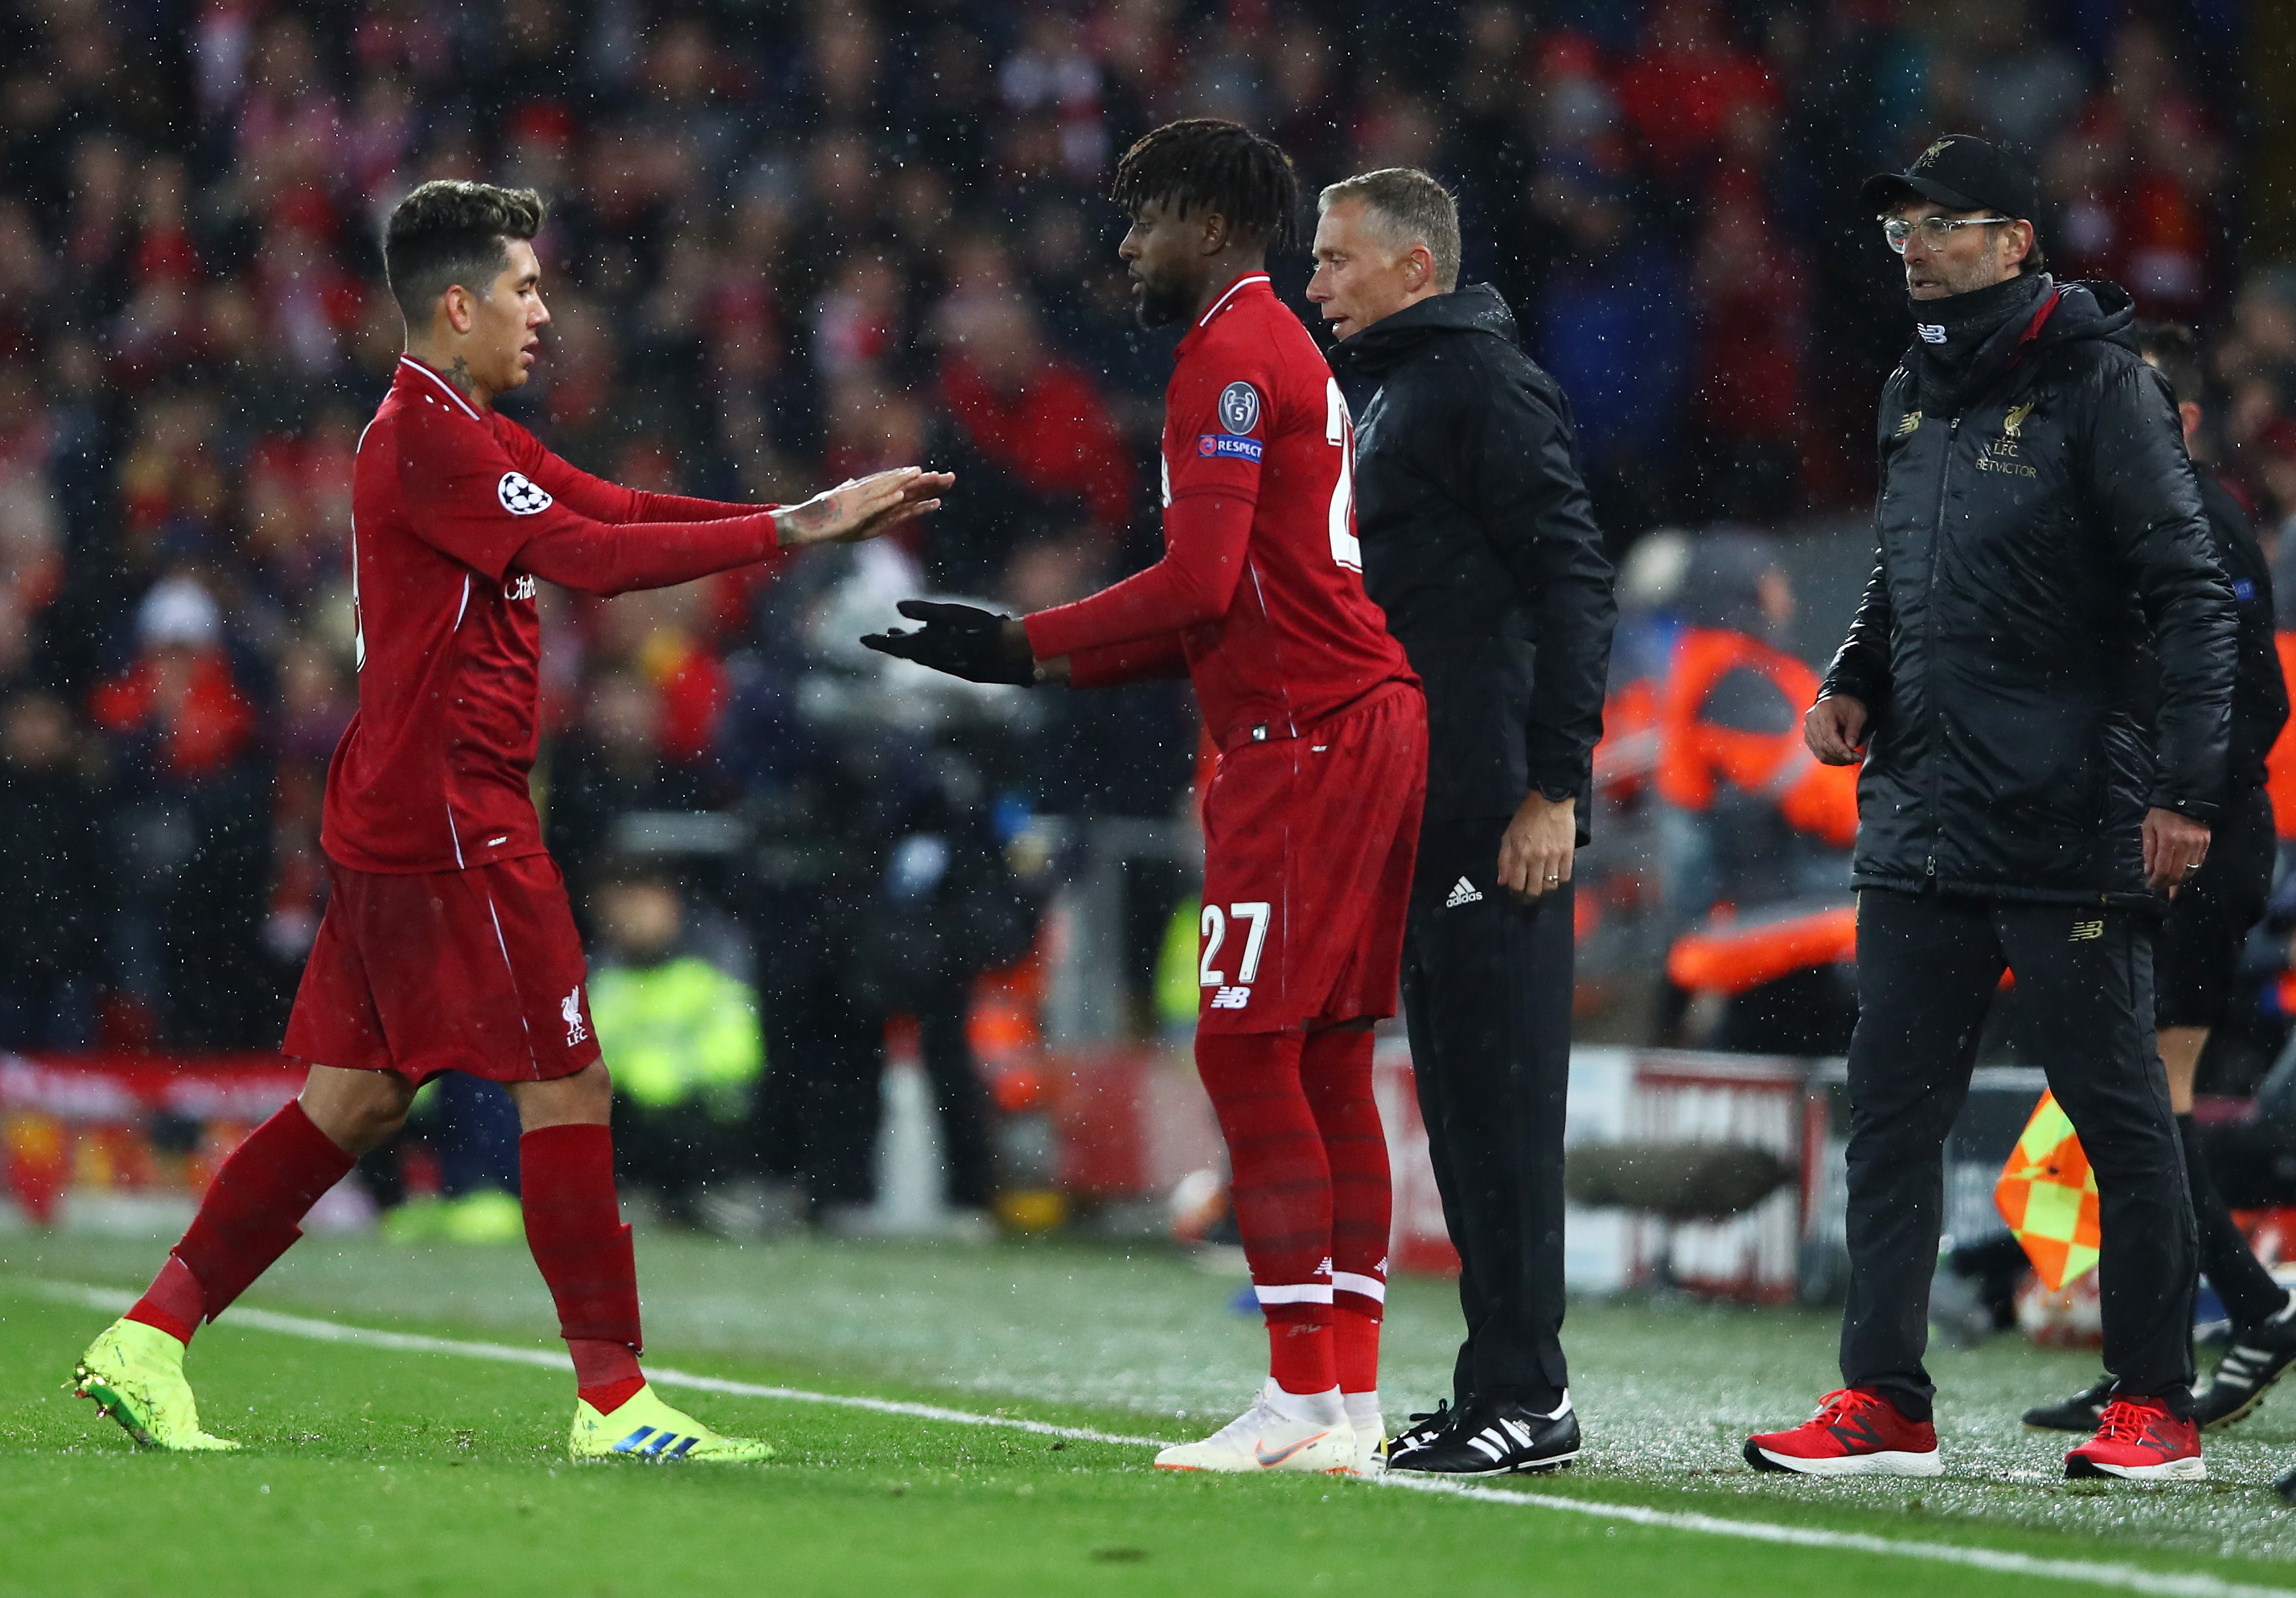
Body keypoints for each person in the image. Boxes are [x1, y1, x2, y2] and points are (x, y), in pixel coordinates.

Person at [69, 179, 950, 1462]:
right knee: (568, 1079)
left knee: (357, 1103)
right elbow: (588, 560)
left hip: (408, 807)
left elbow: (613, 511)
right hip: (451, 816)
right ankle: (614, 1403)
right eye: (527, 290)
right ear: (459, 304)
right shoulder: (422, 436)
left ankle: (148, 1339)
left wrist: (798, 524)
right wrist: (785, 530)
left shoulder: (459, 425)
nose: (546, 311)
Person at [865, 120, 1426, 1475]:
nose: (1125, 249)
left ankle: (1299, 1397)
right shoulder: (1276, 346)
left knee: (1248, 1051)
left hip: (1306, 737)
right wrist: (1024, 659)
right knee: (1326, 1056)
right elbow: (1205, 612)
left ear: (1213, 226)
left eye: (1144, 221)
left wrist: (1025, 639)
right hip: (1353, 722)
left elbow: (1199, 589)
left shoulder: (1229, 353)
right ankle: (1343, 1398)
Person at [1745, 135, 2235, 1483]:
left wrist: (2188, 791)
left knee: (2116, 1112)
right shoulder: (1914, 386)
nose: (1917, 245)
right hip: (1920, 817)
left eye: (1947, 224)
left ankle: (2156, 1406)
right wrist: (1853, 678)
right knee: (1890, 1116)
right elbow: (1907, 578)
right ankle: (1884, 1403)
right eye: (1904, 224)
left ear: (2019, 241)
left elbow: (2192, 594)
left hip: (2070, 815)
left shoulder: (2099, 386)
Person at [1303, 167, 1615, 1476]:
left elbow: (1573, 576)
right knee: (1463, 1106)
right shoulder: (1396, 393)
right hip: (1427, 802)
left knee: (1499, 1106)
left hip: (1495, 803)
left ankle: (1529, 1393)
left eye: (1335, 260)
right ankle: (1495, 1383)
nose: (1315, 283)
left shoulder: (1481, 384)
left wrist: (1556, 786)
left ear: (1415, 269)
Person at [2022, 322, 2293, 1437]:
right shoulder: (2127, 519)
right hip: (2142, 840)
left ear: (2177, 422)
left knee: (2139, 1096)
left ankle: (2255, 1308)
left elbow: (2255, 704)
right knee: (2117, 1097)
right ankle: (2157, 1348)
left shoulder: (2203, 522)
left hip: (2199, 845)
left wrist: (2177, 800)